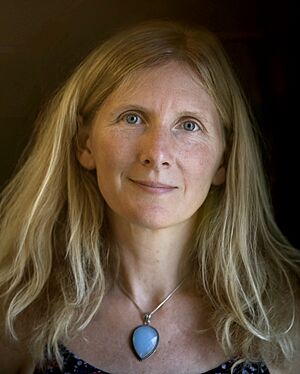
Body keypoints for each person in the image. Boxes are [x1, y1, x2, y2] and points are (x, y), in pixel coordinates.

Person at [0, 19, 299, 374]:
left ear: (224, 160)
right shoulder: (15, 315)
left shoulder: (287, 318)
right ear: (85, 144)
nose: (156, 153)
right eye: (132, 118)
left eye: (189, 125)